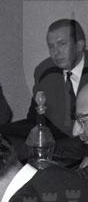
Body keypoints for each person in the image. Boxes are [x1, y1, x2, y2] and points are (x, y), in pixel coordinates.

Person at [26, 18, 88, 163]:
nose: (55, 52)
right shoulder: (44, 71)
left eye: (62, 44)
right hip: (60, 149)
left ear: (79, 45)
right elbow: (35, 119)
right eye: (51, 46)